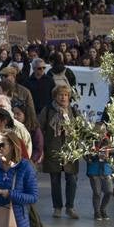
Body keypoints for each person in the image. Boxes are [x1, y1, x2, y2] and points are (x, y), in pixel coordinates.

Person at [39, 84, 82, 218]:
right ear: (55, 96)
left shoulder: (73, 111)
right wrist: (41, 148)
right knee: (55, 180)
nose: (63, 97)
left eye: (65, 95)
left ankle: (70, 207)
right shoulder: (48, 110)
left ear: (69, 97)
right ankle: (57, 207)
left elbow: (80, 129)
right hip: (53, 148)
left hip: (70, 150)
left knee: (72, 179)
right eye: (60, 95)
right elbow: (39, 129)